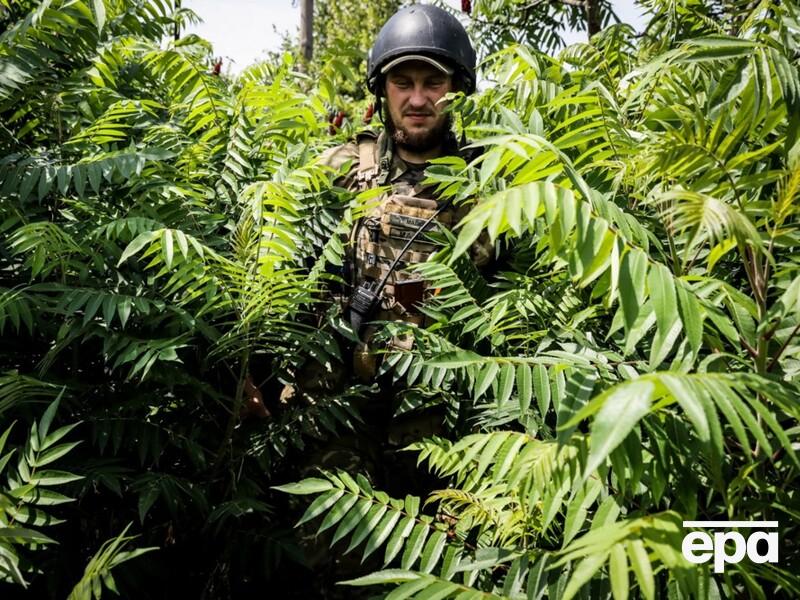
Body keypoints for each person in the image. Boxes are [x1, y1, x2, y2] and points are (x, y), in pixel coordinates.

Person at [316, 4, 491, 382]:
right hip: (336, 402)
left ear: (458, 89)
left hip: (439, 404)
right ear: (382, 90)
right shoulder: (338, 170)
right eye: (402, 83)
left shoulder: (490, 184)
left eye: (433, 83)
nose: (416, 100)